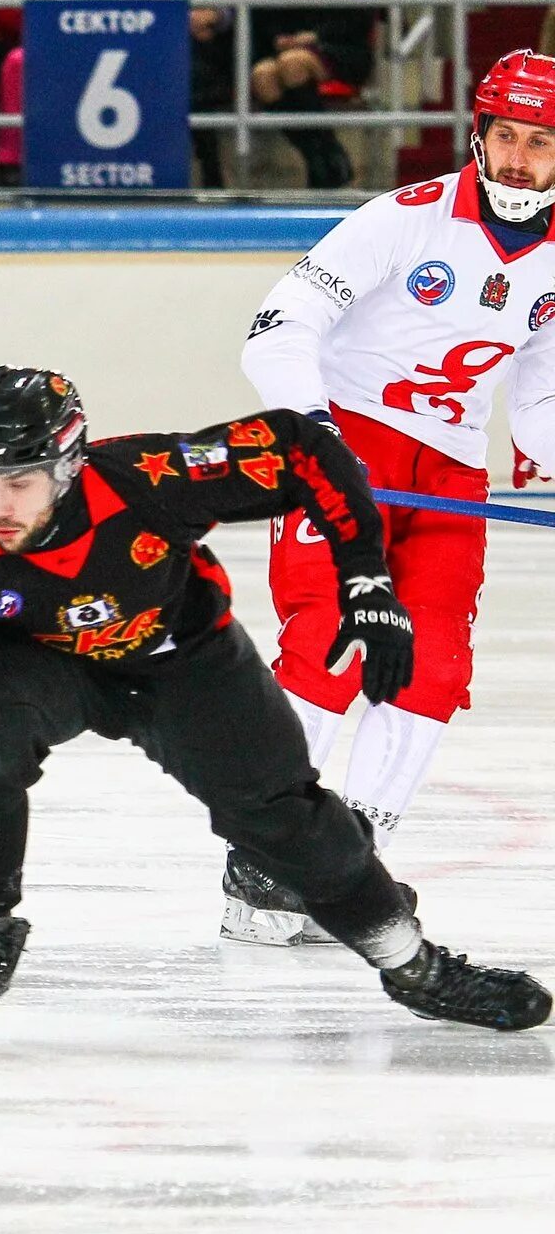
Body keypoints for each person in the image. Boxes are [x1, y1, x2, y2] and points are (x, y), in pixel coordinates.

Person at [0, 365, 548, 1044]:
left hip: (182, 657)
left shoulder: (148, 476)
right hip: (32, 662)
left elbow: (300, 450)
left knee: (285, 816)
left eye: (17, 481)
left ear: (69, 464)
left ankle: (413, 966)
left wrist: (365, 579)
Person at [229, 49, 555, 942]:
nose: (523, 158)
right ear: (479, 135)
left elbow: (537, 394)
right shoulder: (402, 219)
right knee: (336, 641)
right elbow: (277, 324)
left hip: (450, 474)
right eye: (509, 135)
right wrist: (311, 429)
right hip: (349, 448)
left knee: (435, 662)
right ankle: (265, 853)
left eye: (542, 141)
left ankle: (350, 862)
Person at [134, 0, 265, 188]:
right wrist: (182, 20)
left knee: (196, 72)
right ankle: (208, 169)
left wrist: (218, 16)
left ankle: (210, 170)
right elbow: (144, 4)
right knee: (188, 71)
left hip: (232, 43)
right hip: (173, 45)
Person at [250, 0, 369, 189]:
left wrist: (315, 37)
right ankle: (317, 156)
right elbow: (271, 11)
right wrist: (280, 36)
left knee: (292, 64)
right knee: (262, 75)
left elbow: (360, 14)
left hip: (342, 46)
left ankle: (328, 156)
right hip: (292, 48)